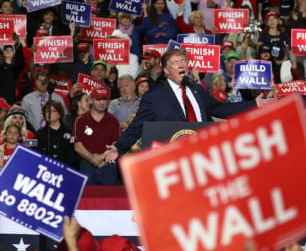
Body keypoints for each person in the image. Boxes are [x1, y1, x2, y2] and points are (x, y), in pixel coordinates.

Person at [104, 49, 267, 162]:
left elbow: (219, 109)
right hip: (172, 159)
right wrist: (119, 148)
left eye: (184, 61)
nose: (182, 65)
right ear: (166, 70)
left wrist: (254, 104)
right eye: (176, 63)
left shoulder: (197, 90)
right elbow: (137, 126)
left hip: (203, 155)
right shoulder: (154, 96)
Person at [73, 88, 121, 185]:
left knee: (109, 198)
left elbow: (116, 145)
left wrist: (101, 158)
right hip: (87, 164)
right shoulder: (80, 120)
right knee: (86, 198)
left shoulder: (113, 120)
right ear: (91, 100)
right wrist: (92, 159)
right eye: (98, 99)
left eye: (104, 99)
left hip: (109, 164)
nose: (101, 103)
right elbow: (78, 146)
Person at [35, 101, 75, 167]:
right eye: (46, 111)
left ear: (59, 114)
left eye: (52, 111)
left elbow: (73, 153)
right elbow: (37, 152)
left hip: (66, 168)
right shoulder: (40, 133)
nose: (48, 114)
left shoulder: (69, 131)